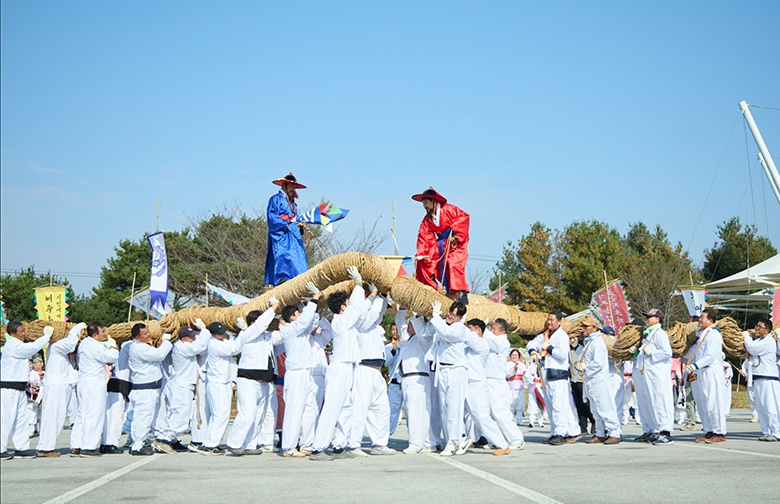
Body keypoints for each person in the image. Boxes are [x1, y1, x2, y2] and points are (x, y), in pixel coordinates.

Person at [310, 266, 370, 461]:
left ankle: (339, 446)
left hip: (349, 366)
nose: (350, 304)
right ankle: (318, 448)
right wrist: (359, 284)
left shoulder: (347, 322)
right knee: (333, 407)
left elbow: (359, 311)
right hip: (340, 367)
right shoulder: (341, 321)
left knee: (347, 406)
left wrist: (371, 295)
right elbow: (356, 308)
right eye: (347, 302)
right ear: (343, 307)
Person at [225, 301, 281, 455]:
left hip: (264, 381)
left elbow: (283, 336)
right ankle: (234, 443)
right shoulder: (247, 334)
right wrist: (273, 307)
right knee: (248, 412)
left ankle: (250, 444)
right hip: (248, 379)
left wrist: (284, 320)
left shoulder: (267, 337)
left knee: (258, 415)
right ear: (252, 323)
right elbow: (260, 325)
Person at [201, 320, 266, 455]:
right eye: (220, 333)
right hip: (217, 383)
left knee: (221, 414)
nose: (224, 333)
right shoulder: (214, 344)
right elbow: (235, 348)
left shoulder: (221, 341)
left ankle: (211, 443)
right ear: (213, 335)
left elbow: (232, 342)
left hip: (224, 382)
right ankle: (209, 445)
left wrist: (237, 333)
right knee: (220, 414)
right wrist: (244, 332)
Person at [153, 320, 211, 454]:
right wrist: (204, 328)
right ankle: (167, 440)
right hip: (182, 386)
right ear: (183, 338)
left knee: (172, 414)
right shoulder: (182, 347)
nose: (194, 338)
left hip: (178, 384)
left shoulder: (181, 346)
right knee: (181, 417)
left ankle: (163, 438)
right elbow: (200, 345)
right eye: (191, 337)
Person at [348, 292, 395, 456]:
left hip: (377, 372)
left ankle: (380, 443)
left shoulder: (377, 327)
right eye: (380, 308)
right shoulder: (361, 323)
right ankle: (353, 445)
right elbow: (373, 313)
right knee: (360, 410)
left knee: (382, 409)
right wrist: (376, 294)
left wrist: (381, 297)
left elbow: (377, 313)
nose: (382, 312)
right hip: (364, 370)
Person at [527, 311, 580, 446]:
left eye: (552, 320)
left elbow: (562, 355)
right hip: (545, 374)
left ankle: (559, 433)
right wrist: (533, 351)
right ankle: (555, 431)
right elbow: (531, 343)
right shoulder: (545, 335)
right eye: (548, 319)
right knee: (550, 405)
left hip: (558, 374)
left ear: (559, 321)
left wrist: (549, 348)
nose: (549, 322)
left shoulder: (561, 336)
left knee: (558, 405)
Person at [279, 287, 321, 458]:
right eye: (298, 312)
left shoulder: (301, 330)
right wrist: (314, 298)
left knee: (310, 409)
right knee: (295, 410)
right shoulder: (289, 329)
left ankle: (306, 444)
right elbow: (305, 322)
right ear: (292, 317)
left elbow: (312, 322)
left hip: (306, 373)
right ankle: (288, 447)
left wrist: (316, 305)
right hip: (296, 373)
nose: (301, 315)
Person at [425, 300, 470, 456]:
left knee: (453, 407)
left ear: (460, 317)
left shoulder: (460, 329)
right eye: (450, 312)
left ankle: (452, 442)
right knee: (445, 408)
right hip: (442, 369)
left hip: (455, 370)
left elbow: (446, 334)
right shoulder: (444, 325)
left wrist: (436, 316)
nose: (450, 315)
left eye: (454, 314)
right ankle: (460, 439)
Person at [1, 322, 51, 459]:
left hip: (19, 388)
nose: (24, 333)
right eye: (21, 331)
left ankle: (21, 447)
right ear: (12, 334)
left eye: (24, 331)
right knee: (6, 419)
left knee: (21, 419)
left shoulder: (18, 345)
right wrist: (46, 336)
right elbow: (33, 347)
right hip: (8, 388)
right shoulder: (12, 345)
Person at [412, 187, 470, 303]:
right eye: (424, 205)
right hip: (441, 244)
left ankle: (461, 292)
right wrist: (423, 254)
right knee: (424, 260)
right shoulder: (427, 218)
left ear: (434, 202)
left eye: (427, 204)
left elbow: (464, 217)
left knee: (453, 263)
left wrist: (454, 232)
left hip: (456, 242)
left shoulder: (449, 209)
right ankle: (432, 283)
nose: (425, 207)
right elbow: (424, 236)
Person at [463, 319, 511, 456]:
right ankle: (462, 440)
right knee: (457, 414)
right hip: (465, 382)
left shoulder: (483, 344)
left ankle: (502, 444)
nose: (468, 331)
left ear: (478, 331)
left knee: (481, 416)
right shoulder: (468, 344)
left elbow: (468, 336)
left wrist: (458, 322)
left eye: (471, 328)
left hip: (476, 384)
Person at [37, 323, 83, 457]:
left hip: (60, 384)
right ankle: (46, 447)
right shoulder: (57, 345)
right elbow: (70, 344)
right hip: (57, 385)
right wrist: (77, 328)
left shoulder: (57, 348)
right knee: (54, 417)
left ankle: (44, 446)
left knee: (54, 416)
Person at [127, 323, 173, 456]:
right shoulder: (140, 348)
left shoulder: (140, 346)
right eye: (145, 334)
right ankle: (138, 445)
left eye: (147, 332)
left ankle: (138, 443)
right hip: (145, 389)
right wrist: (166, 340)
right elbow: (160, 354)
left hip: (145, 388)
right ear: (137, 337)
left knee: (141, 417)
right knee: (144, 417)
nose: (148, 335)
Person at [74, 322, 119, 457]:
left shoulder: (84, 343)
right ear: (95, 335)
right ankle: (88, 447)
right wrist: (112, 346)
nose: (105, 334)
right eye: (103, 332)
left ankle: (76, 445)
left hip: (84, 382)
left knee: (83, 415)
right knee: (94, 414)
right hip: (93, 383)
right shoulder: (95, 346)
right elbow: (112, 357)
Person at [394, 307, 435, 454]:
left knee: (416, 412)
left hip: (418, 377)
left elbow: (418, 326)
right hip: (406, 377)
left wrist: (416, 312)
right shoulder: (407, 337)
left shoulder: (425, 337)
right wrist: (403, 309)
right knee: (416, 411)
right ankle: (427, 443)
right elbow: (399, 321)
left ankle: (415, 445)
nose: (408, 325)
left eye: (411, 323)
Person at [631, 309, 674, 445]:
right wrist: (637, 354)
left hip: (657, 374)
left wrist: (651, 352)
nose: (647, 319)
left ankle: (665, 431)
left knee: (659, 401)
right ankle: (650, 429)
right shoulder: (648, 334)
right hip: (646, 374)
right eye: (647, 316)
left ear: (658, 319)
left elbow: (667, 352)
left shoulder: (660, 334)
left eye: (650, 317)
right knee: (646, 402)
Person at [684, 309, 727, 444]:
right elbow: (693, 353)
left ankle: (719, 433)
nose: (700, 320)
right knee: (702, 402)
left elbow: (710, 355)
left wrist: (695, 365)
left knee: (713, 402)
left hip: (710, 372)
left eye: (703, 317)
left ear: (711, 321)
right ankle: (708, 431)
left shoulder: (713, 335)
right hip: (700, 373)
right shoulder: (701, 334)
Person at [482, 318, 525, 449]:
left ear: (502, 331)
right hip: (487, 380)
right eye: (491, 328)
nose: (491, 330)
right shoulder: (491, 339)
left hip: (497, 382)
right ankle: (497, 441)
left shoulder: (502, 342)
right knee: (490, 414)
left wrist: (482, 327)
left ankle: (517, 440)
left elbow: (492, 341)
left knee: (500, 414)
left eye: (494, 329)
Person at [578, 317, 621, 444]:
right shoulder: (589, 342)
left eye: (587, 326)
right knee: (595, 409)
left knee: (605, 407)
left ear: (595, 328)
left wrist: (584, 368)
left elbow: (598, 363)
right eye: (583, 326)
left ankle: (615, 432)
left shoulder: (597, 342)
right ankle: (600, 433)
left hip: (599, 380)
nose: (584, 329)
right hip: (591, 380)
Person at [265, 173, 309, 286]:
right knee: (285, 258)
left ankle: (301, 284)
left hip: (294, 236)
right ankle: (282, 280)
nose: (293, 189)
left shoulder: (294, 204)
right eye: (291, 186)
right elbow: (272, 217)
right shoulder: (275, 199)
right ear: (284, 186)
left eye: (294, 187)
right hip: (281, 237)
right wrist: (286, 222)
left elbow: (295, 218)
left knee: (300, 262)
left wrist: (299, 225)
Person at [742, 319, 780, 441]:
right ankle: (767, 432)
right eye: (756, 326)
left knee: (770, 406)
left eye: (759, 326)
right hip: (758, 377)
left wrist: (747, 337)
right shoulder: (760, 340)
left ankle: (777, 432)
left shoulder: (768, 341)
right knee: (761, 407)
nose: (756, 328)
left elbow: (752, 348)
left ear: (767, 330)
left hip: (769, 378)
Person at [102, 339, 132, 453]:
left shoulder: (116, 347)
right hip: (120, 382)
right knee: (116, 415)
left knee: (110, 415)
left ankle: (105, 443)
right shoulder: (127, 345)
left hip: (114, 381)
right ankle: (111, 443)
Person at [385, 323, 404, 435]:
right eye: (393, 329)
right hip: (395, 382)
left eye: (397, 329)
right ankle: (387, 435)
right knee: (393, 411)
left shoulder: (407, 345)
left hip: (406, 381)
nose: (395, 331)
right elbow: (387, 362)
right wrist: (393, 349)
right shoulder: (387, 347)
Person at [506, 349, 526, 425]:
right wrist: (513, 369)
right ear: (510, 356)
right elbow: (508, 374)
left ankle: (519, 420)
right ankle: (511, 420)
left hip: (520, 385)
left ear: (518, 356)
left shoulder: (522, 364)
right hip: (511, 385)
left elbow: (525, 374)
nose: (514, 357)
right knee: (511, 403)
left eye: (516, 355)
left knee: (520, 404)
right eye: (513, 355)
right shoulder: (508, 364)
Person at [26, 356, 44, 438]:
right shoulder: (30, 373)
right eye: (36, 365)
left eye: (39, 364)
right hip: (33, 397)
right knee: (32, 414)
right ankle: (30, 431)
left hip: (43, 397)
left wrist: (42, 378)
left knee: (42, 416)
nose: (38, 366)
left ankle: (42, 431)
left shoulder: (45, 373)